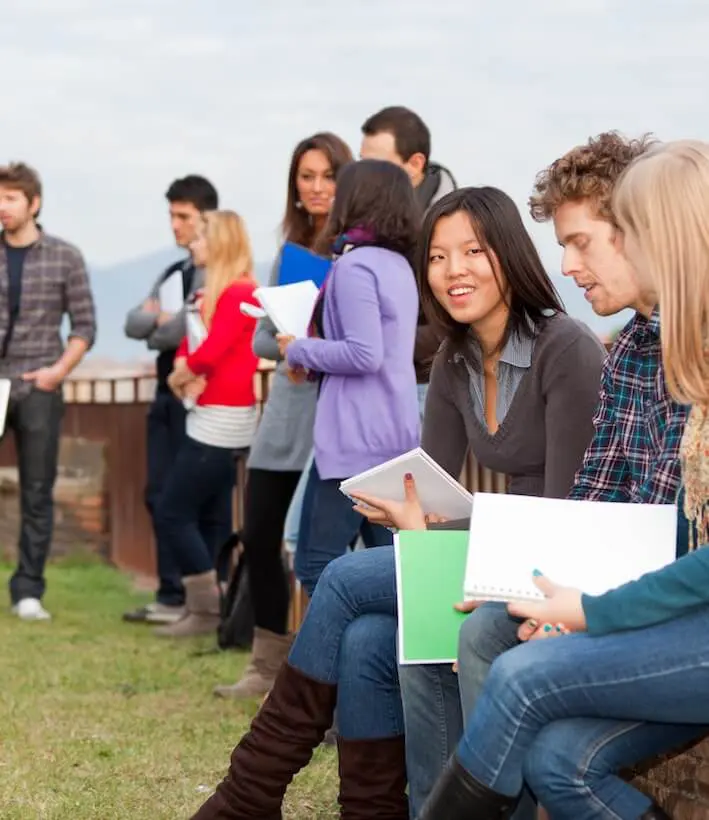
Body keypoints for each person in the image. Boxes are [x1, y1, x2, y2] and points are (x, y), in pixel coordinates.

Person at [189, 185, 606, 820]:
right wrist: (413, 518)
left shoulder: (565, 347)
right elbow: (430, 479)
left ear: (511, 255)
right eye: (438, 257)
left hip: (552, 563)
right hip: (494, 549)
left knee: (347, 577)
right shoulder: (455, 358)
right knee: (366, 640)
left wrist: (436, 533)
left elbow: (565, 505)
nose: (452, 271)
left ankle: (249, 792)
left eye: (472, 251)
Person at [416, 139, 709, 820]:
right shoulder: (647, 345)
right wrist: (531, 581)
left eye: (602, 238)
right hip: (665, 600)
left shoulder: (639, 349)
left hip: (680, 611)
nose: (567, 266)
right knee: (558, 760)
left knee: (519, 676)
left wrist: (592, 610)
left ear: (661, 236)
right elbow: (640, 514)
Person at [213, 132, 352, 699]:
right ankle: (266, 665)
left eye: (326, 176)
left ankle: (331, 678)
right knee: (260, 531)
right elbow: (261, 339)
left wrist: (313, 348)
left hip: (338, 414)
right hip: (287, 413)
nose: (316, 187)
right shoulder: (288, 250)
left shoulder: (360, 252)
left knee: (333, 553)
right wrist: (290, 348)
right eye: (306, 177)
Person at [280, 158, 422, 597]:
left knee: (315, 561)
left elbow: (364, 353)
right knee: (396, 571)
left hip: (355, 437)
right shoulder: (398, 265)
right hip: (393, 434)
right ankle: (391, 663)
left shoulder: (354, 266)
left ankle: (339, 666)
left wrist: (298, 348)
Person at [152, 210, 259, 639]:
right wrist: (182, 366)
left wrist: (180, 373)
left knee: (172, 510)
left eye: (199, 239)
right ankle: (208, 605)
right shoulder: (212, 294)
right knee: (204, 513)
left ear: (220, 243)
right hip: (208, 413)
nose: (192, 245)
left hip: (223, 418)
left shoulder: (239, 293)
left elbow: (209, 354)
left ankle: (204, 608)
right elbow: (186, 341)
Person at [0, 162, 96, 621]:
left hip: (40, 384)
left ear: (33, 203)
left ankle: (28, 591)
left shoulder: (65, 256)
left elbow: (84, 325)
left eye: (10, 198)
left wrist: (57, 371)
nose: (2, 207)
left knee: (37, 490)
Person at [123, 175, 218, 625]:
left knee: (185, 501)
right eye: (172, 215)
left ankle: (192, 597)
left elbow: (173, 329)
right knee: (158, 494)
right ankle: (169, 595)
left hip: (195, 402)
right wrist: (162, 323)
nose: (175, 225)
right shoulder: (175, 271)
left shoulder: (213, 274)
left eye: (182, 216)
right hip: (163, 395)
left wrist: (161, 323)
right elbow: (132, 322)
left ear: (206, 219)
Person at [360, 105, 458, 418]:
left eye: (376, 165)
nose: (363, 177)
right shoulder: (380, 221)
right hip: (382, 382)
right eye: (361, 164)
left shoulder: (447, 227)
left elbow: (451, 323)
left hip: (423, 387)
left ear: (415, 164)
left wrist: (374, 339)